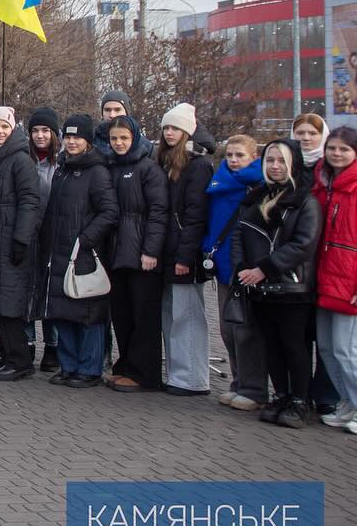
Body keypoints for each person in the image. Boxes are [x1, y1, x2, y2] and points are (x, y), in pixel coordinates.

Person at [233, 139, 321, 428]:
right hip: (259, 287)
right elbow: (239, 235)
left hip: (292, 288)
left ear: (293, 163)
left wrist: (264, 269)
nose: (274, 166)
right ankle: (281, 395)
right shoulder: (256, 198)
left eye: (281, 160)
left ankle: (300, 401)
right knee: (271, 345)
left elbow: (303, 244)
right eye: (270, 160)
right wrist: (242, 268)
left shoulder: (305, 201)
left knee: (294, 346)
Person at [37, 114, 119, 388]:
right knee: (63, 311)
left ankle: (90, 369)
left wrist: (85, 239)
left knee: (88, 313)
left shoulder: (97, 171)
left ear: (88, 140)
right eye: (69, 137)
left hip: (83, 253)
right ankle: (68, 365)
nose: (72, 142)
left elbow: (109, 212)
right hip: (58, 252)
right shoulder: (62, 168)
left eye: (77, 137)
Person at [0, 107, 42, 380]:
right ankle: (8, 355)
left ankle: (20, 359)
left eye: (4, 126)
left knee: (10, 301)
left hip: (12, 236)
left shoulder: (21, 159)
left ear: (12, 128)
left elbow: (30, 200)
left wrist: (21, 238)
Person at [100, 116, 168, 392]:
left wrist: (150, 250)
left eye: (124, 138)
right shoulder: (110, 166)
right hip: (116, 252)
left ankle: (145, 374)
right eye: (114, 138)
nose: (119, 143)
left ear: (135, 138)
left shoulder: (148, 169)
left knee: (144, 316)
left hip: (141, 254)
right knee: (122, 314)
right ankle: (126, 366)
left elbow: (158, 212)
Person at [156, 103, 217, 396]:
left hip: (184, 254)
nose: (169, 133)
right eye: (166, 128)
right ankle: (178, 374)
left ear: (187, 132)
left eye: (175, 128)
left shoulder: (199, 165)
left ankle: (193, 378)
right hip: (169, 250)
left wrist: (185, 256)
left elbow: (195, 215)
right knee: (171, 314)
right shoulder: (168, 161)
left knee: (188, 315)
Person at [205, 135, 266, 411]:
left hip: (247, 267)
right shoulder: (219, 182)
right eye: (229, 155)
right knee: (228, 329)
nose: (233, 160)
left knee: (246, 331)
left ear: (253, 157)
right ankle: (238, 382)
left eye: (240, 155)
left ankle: (254, 389)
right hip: (223, 263)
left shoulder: (259, 185)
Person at [293, 113, 342, 418]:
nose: (306, 138)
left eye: (312, 133)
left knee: (328, 338)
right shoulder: (288, 164)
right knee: (300, 333)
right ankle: (298, 392)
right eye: (300, 133)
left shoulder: (330, 169)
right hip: (299, 263)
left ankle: (327, 395)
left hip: (327, 259)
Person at [313, 126, 357, 433]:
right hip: (323, 277)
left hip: (348, 282)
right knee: (328, 349)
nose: (336, 154)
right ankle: (347, 402)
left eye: (344, 149)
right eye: (332, 148)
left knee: (346, 350)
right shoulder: (322, 185)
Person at [26, 107, 62, 370]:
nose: (40, 136)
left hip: (54, 235)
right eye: (35, 131)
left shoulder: (62, 163)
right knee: (28, 289)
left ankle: (53, 346)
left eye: (45, 131)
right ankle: (27, 342)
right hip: (28, 234)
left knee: (50, 291)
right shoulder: (24, 161)